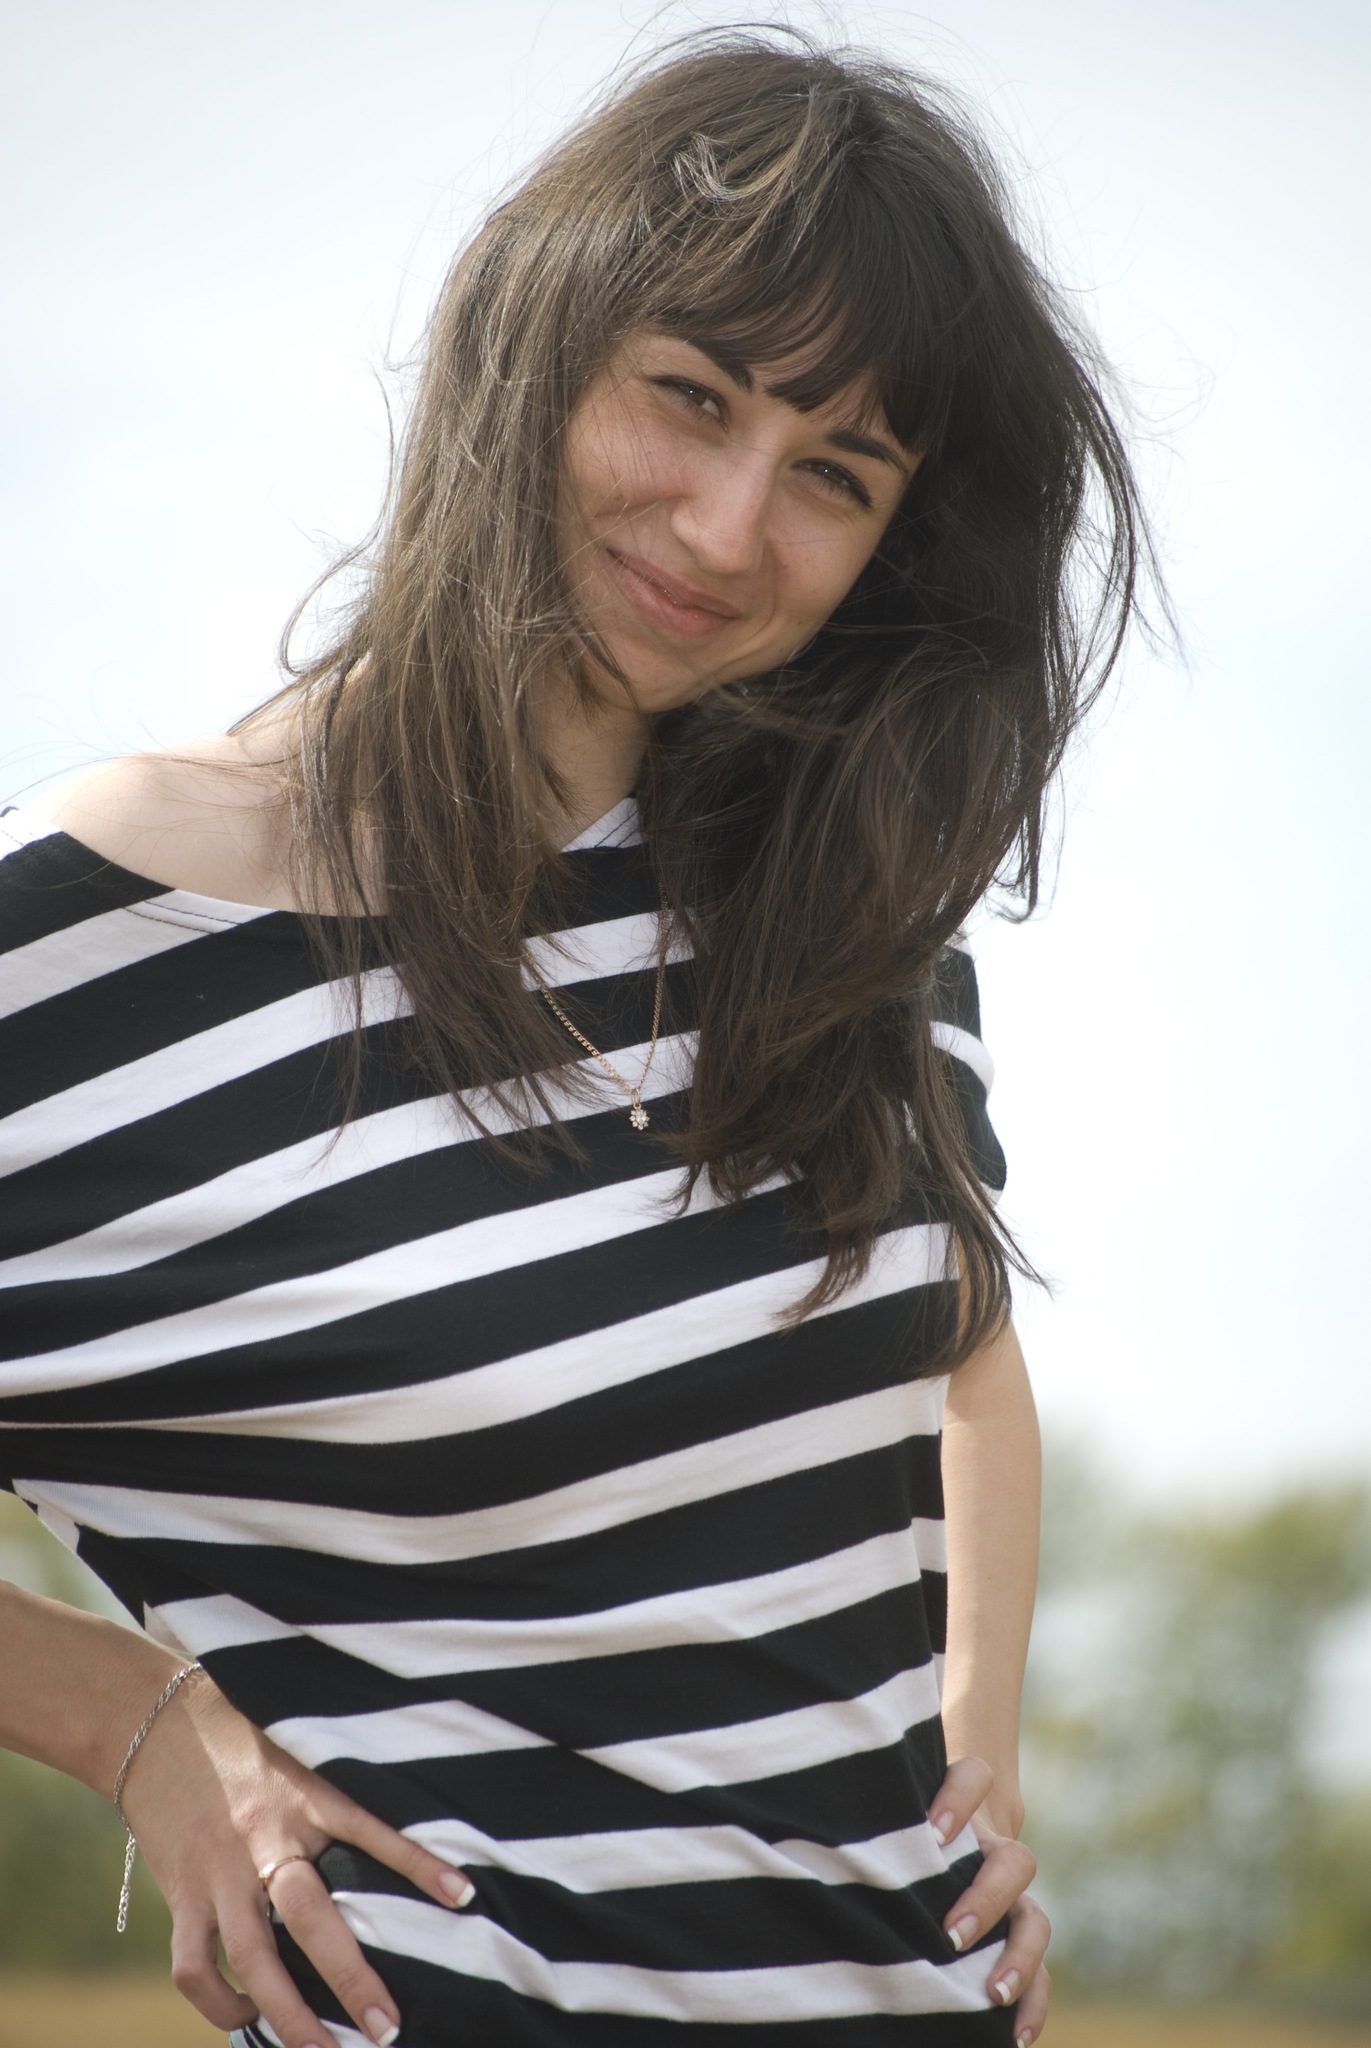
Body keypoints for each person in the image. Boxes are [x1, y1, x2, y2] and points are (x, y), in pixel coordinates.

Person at [0, 29, 1150, 2048]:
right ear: (526, 341)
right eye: (688, 396)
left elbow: (957, 1342)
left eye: (835, 474)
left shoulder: (840, 912)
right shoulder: (95, 942)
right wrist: (131, 1719)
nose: (724, 528)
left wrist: (964, 1765)